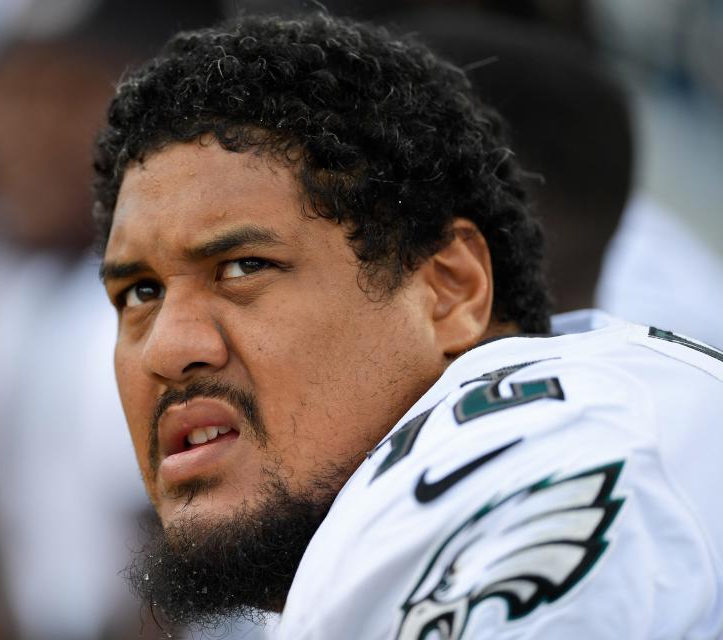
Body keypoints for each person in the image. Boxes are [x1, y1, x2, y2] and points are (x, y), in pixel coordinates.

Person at [93, 12, 723, 640]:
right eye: (139, 292)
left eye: (242, 267)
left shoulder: (532, 460)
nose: (169, 348)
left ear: (451, 289)